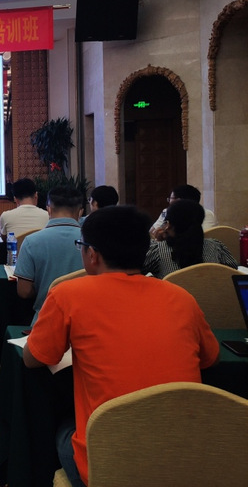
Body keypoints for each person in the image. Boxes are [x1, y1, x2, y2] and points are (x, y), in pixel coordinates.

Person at [23, 205, 219, 487]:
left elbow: (33, 359)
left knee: (59, 426)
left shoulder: (68, 294)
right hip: (184, 459)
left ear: (92, 254)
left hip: (107, 463)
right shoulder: (182, 297)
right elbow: (211, 359)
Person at [15, 185, 84, 324]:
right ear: (80, 212)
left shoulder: (31, 241)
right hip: (87, 321)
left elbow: (24, 291)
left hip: (45, 321)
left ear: (49, 209)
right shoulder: (93, 242)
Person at [143, 199, 237, 278]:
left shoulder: (157, 251)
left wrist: (157, 242)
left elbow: (137, 272)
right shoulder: (216, 247)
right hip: (212, 295)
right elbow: (232, 272)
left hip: (172, 295)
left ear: (168, 225)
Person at [149, 184, 217, 238]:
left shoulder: (207, 214)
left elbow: (205, 236)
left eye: (170, 198)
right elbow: (152, 231)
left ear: (179, 201)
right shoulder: (167, 212)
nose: (169, 202)